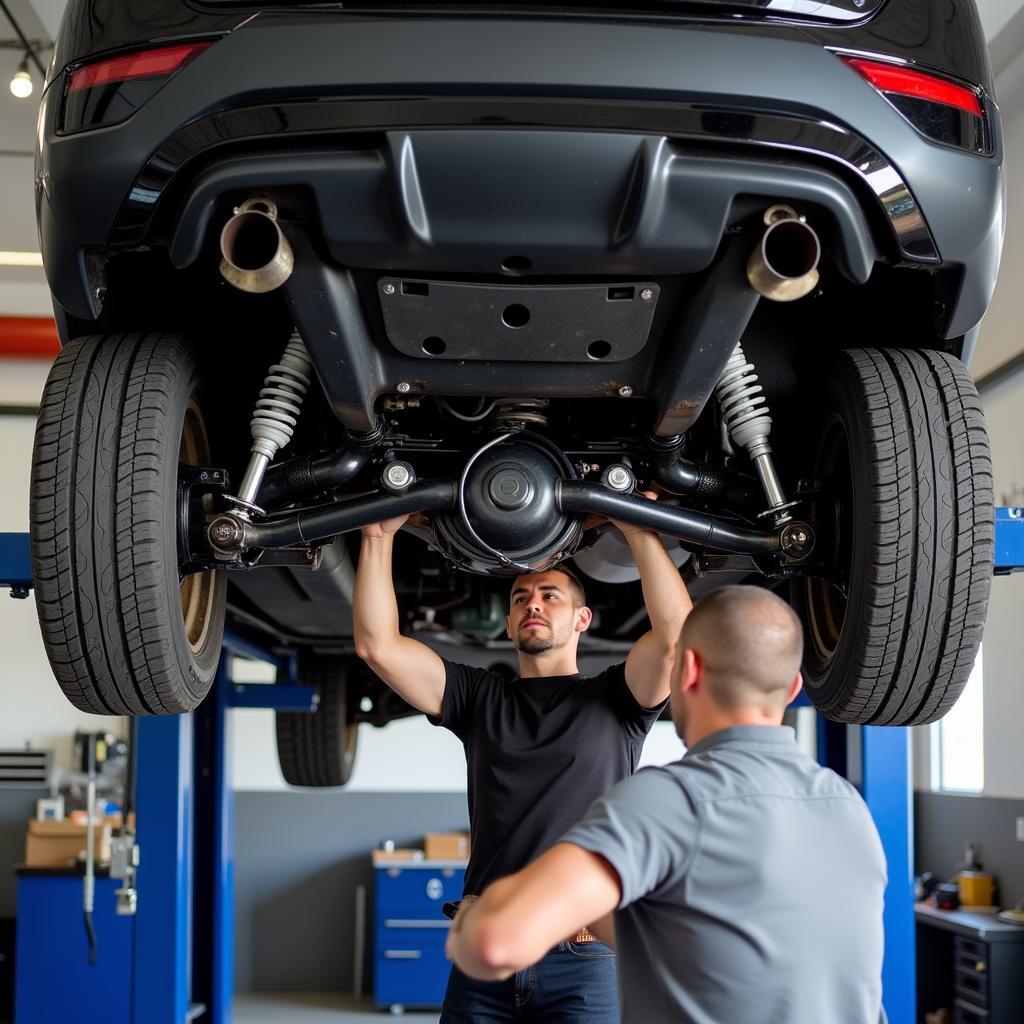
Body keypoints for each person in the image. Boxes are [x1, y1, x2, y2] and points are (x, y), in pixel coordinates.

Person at [445, 585, 887, 1024]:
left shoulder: (665, 801)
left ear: (688, 670)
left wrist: (477, 915)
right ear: (793, 688)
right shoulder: (848, 808)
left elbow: (496, 943)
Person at [353, 506, 692, 1023]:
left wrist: (635, 528)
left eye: (550, 596)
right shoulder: (478, 698)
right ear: (509, 623)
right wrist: (378, 537)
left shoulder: (618, 701)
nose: (533, 604)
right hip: (487, 952)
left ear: (582, 619)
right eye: (521, 598)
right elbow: (378, 647)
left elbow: (676, 640)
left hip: (585, 958)